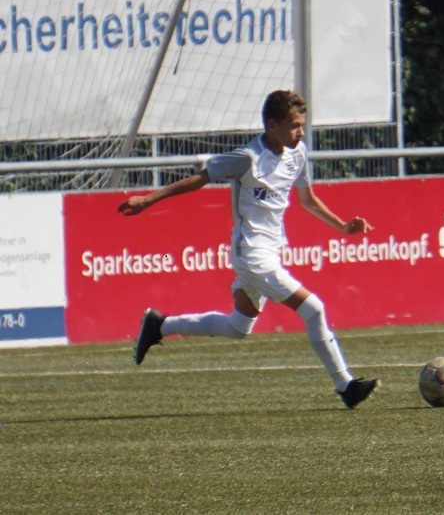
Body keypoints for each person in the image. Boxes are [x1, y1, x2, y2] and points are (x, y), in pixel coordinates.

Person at [118, 89, 381, 408]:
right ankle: (346, 386)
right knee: (314, 309)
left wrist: (343, 226)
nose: (301, 132)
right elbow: (200, 178)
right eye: (294, 125)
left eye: (302, 124)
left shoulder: (297, 153)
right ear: (272, 125)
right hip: (252, 255)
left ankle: (160, 325)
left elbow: (307, 200)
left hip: (270, 252)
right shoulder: (248, 158)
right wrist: (147, 200)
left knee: (238, 327)